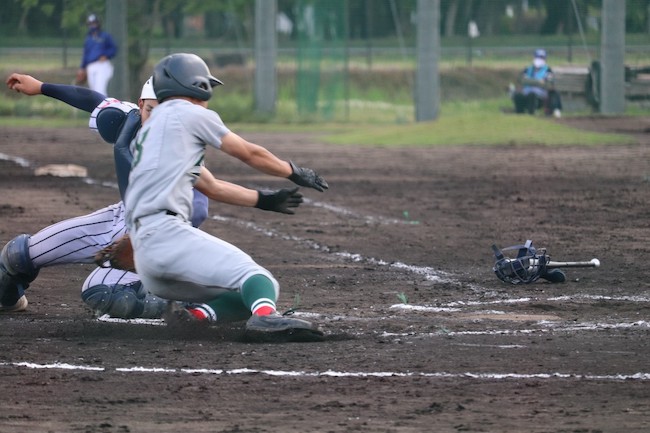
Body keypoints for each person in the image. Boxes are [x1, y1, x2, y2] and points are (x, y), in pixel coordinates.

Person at [2, 73, 304, 324]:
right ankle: (9, 300)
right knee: (17, 255)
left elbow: (206, 192)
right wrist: (41, 87)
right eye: (152, 109)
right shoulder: (124, 119)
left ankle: (177, 300)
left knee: (107, 295)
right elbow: (92, 99)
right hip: (118, 217)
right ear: (140, 105)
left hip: (154, 234)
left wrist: (263, 199)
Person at [125, 53, 328, 341]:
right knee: (259, 280)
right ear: (194, 84)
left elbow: (211, 186)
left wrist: (263, 200)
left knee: (244, 294)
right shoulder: (189, 113)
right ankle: (265, 319)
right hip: (168, 236)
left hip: (144, 255)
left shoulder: (153, 130)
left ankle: (195, 318)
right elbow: (248, 152)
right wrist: (293, 171)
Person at [511, 49, 562, 118]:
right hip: (526, 93)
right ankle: (519, 113)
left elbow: (548, 85)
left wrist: (529, 81)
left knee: (532, 95)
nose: (539, 60)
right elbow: (522, 80)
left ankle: (531, 112)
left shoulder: (548, 71)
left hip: (540, 96)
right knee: (518, 95)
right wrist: (538, 81)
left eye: (541, 58)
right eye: (537, 57)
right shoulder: (527, 69)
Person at [76, 14, 118, 95]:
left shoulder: (105, 36)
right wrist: (82, 68)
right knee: (94, 91)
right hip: (90, 66)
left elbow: (113, 48)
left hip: (102, 65)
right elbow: (85, 55)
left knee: (100, 90)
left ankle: (105, 107)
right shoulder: (88, 39)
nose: (92, 25)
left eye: (94, 23)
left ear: (98, 23)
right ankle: (99, 107)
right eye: (90, 23)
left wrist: (106, 55)